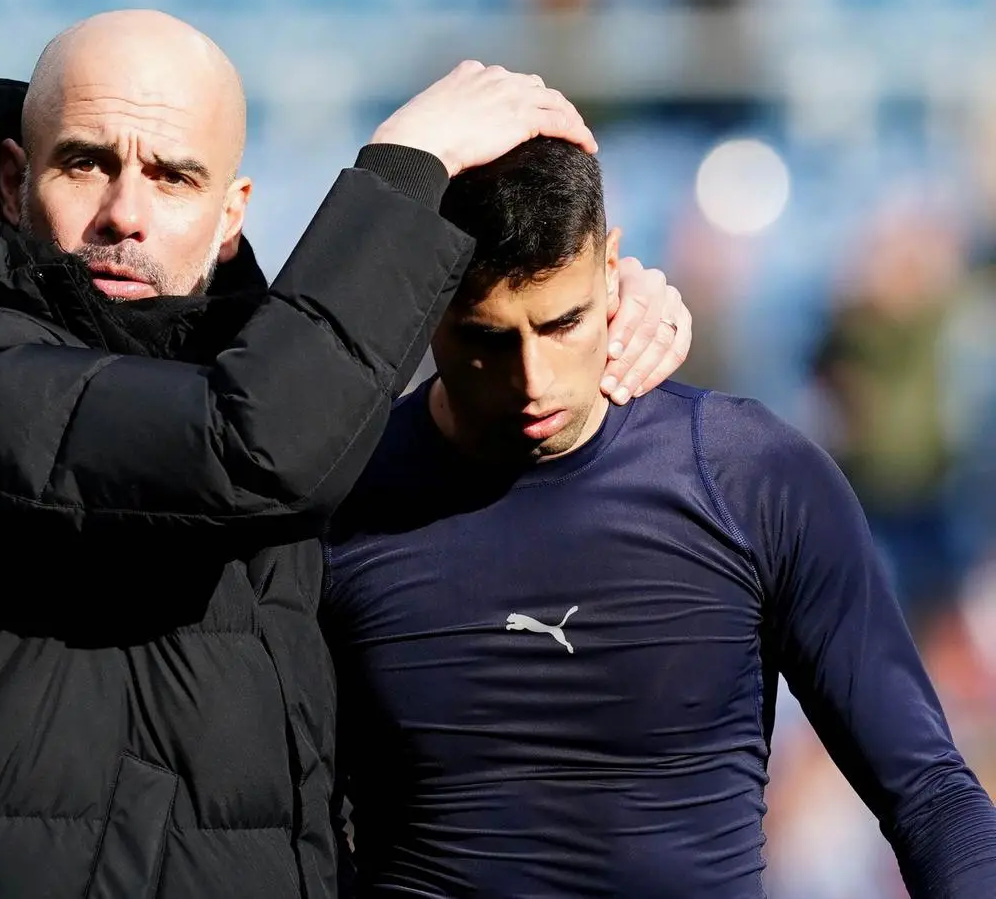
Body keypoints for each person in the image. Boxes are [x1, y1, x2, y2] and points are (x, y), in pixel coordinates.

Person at [0, 10, 689, 899]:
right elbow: (250, 446)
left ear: (231, 216)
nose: (123, 213)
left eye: (174, 177)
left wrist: (599, 325)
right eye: (86, 162)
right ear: (14, 183)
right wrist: (406, 171)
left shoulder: (252, 387)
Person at [323, 136, 996, 898]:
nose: (532, 379)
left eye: (563, 323)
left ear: (611, 269)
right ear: (426, 303)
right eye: (487, 337)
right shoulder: (339, 500)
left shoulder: (754, 479)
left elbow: (933, 795)